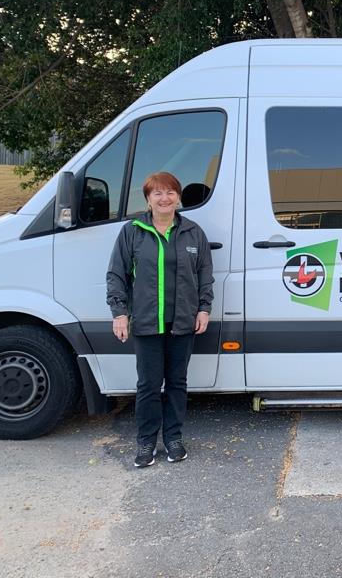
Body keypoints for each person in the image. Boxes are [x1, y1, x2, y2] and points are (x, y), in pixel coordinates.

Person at [106, 171, 213, 468]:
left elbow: (205, 275)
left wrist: (204, 308)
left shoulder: (193, 232)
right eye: (158, 193)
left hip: (182, 323)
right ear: (148, 199)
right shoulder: (133, 232)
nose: (164, 198)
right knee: (149, 386)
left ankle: (174, 438)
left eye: (170, 192)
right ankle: (145, 442)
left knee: (177, 383)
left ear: (178, 198)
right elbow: (117, 275)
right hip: (146, 323)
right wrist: (120, 313)